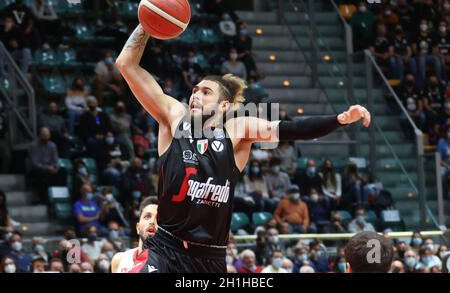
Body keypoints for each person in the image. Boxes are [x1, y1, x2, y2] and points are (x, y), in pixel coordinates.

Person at [115, 24, 371, 273]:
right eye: (194, 90)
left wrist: (339, 120)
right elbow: (126, 65)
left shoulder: (236, 131)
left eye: (206, 92)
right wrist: (147, 23)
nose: (195, 95)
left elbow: (291, 129)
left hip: (210, 256)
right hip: (166, 248)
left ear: (224, 106)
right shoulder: (175, 117)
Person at [111, 196, 158, 273]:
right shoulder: (119, 260)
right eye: (147, 216)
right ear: (138, 228)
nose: (152, 221)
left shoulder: (169, 263)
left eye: (158, 219)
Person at [29, 127, 65, 204]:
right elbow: (34, 163)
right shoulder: (34, 145)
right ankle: (43, 199)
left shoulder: (52, 145)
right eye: (44, 135)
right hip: (39, 168)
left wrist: (55, 167)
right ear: (40, 135)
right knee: (41, 174)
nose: (46, 137)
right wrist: (47, 168)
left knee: (62, 172)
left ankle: (60, 197)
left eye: (47, 136)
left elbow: (56, 160)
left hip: (50, 167)